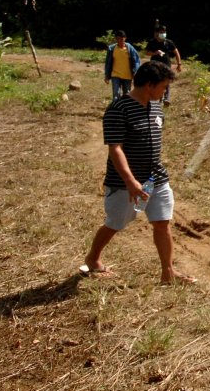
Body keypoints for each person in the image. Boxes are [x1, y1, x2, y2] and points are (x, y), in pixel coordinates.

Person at [81, 60, 197, 285]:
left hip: (154, 179)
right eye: (163, 87)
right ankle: (93, 258)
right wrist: (130, 181)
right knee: (116, 222)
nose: (165, 92)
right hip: (126, 184)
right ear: (150, 85)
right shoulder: (118, 109)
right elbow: (115, 148)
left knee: (162, 222)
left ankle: (168, 272)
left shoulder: (156, 107)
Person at [145, 23, 182, 103]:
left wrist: (179, 63)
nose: (163, 34)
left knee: (167, 81)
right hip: (155, 65)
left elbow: (176, 52)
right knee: (155, 81)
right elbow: (146, 52)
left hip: (166, 65)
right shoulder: (152, 42)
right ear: (157, 33)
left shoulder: (169, 42)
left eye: (164, 32)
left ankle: (166, 98)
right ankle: (155, 97)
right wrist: (155, 53)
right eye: (161, 32)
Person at [103, 30, 141, 100]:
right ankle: (116, 109)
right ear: (115, 39)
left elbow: (136, 60)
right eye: (117, 39)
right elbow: (108, 63)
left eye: (121, 39)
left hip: (127, 76)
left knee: (126, 94)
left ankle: (124, 109)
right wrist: (106, 75)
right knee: (116, 94)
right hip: (115, 75)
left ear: (125, 38)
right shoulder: (112, 48)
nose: (119, 40)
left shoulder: (130, 48)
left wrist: (136, 71)